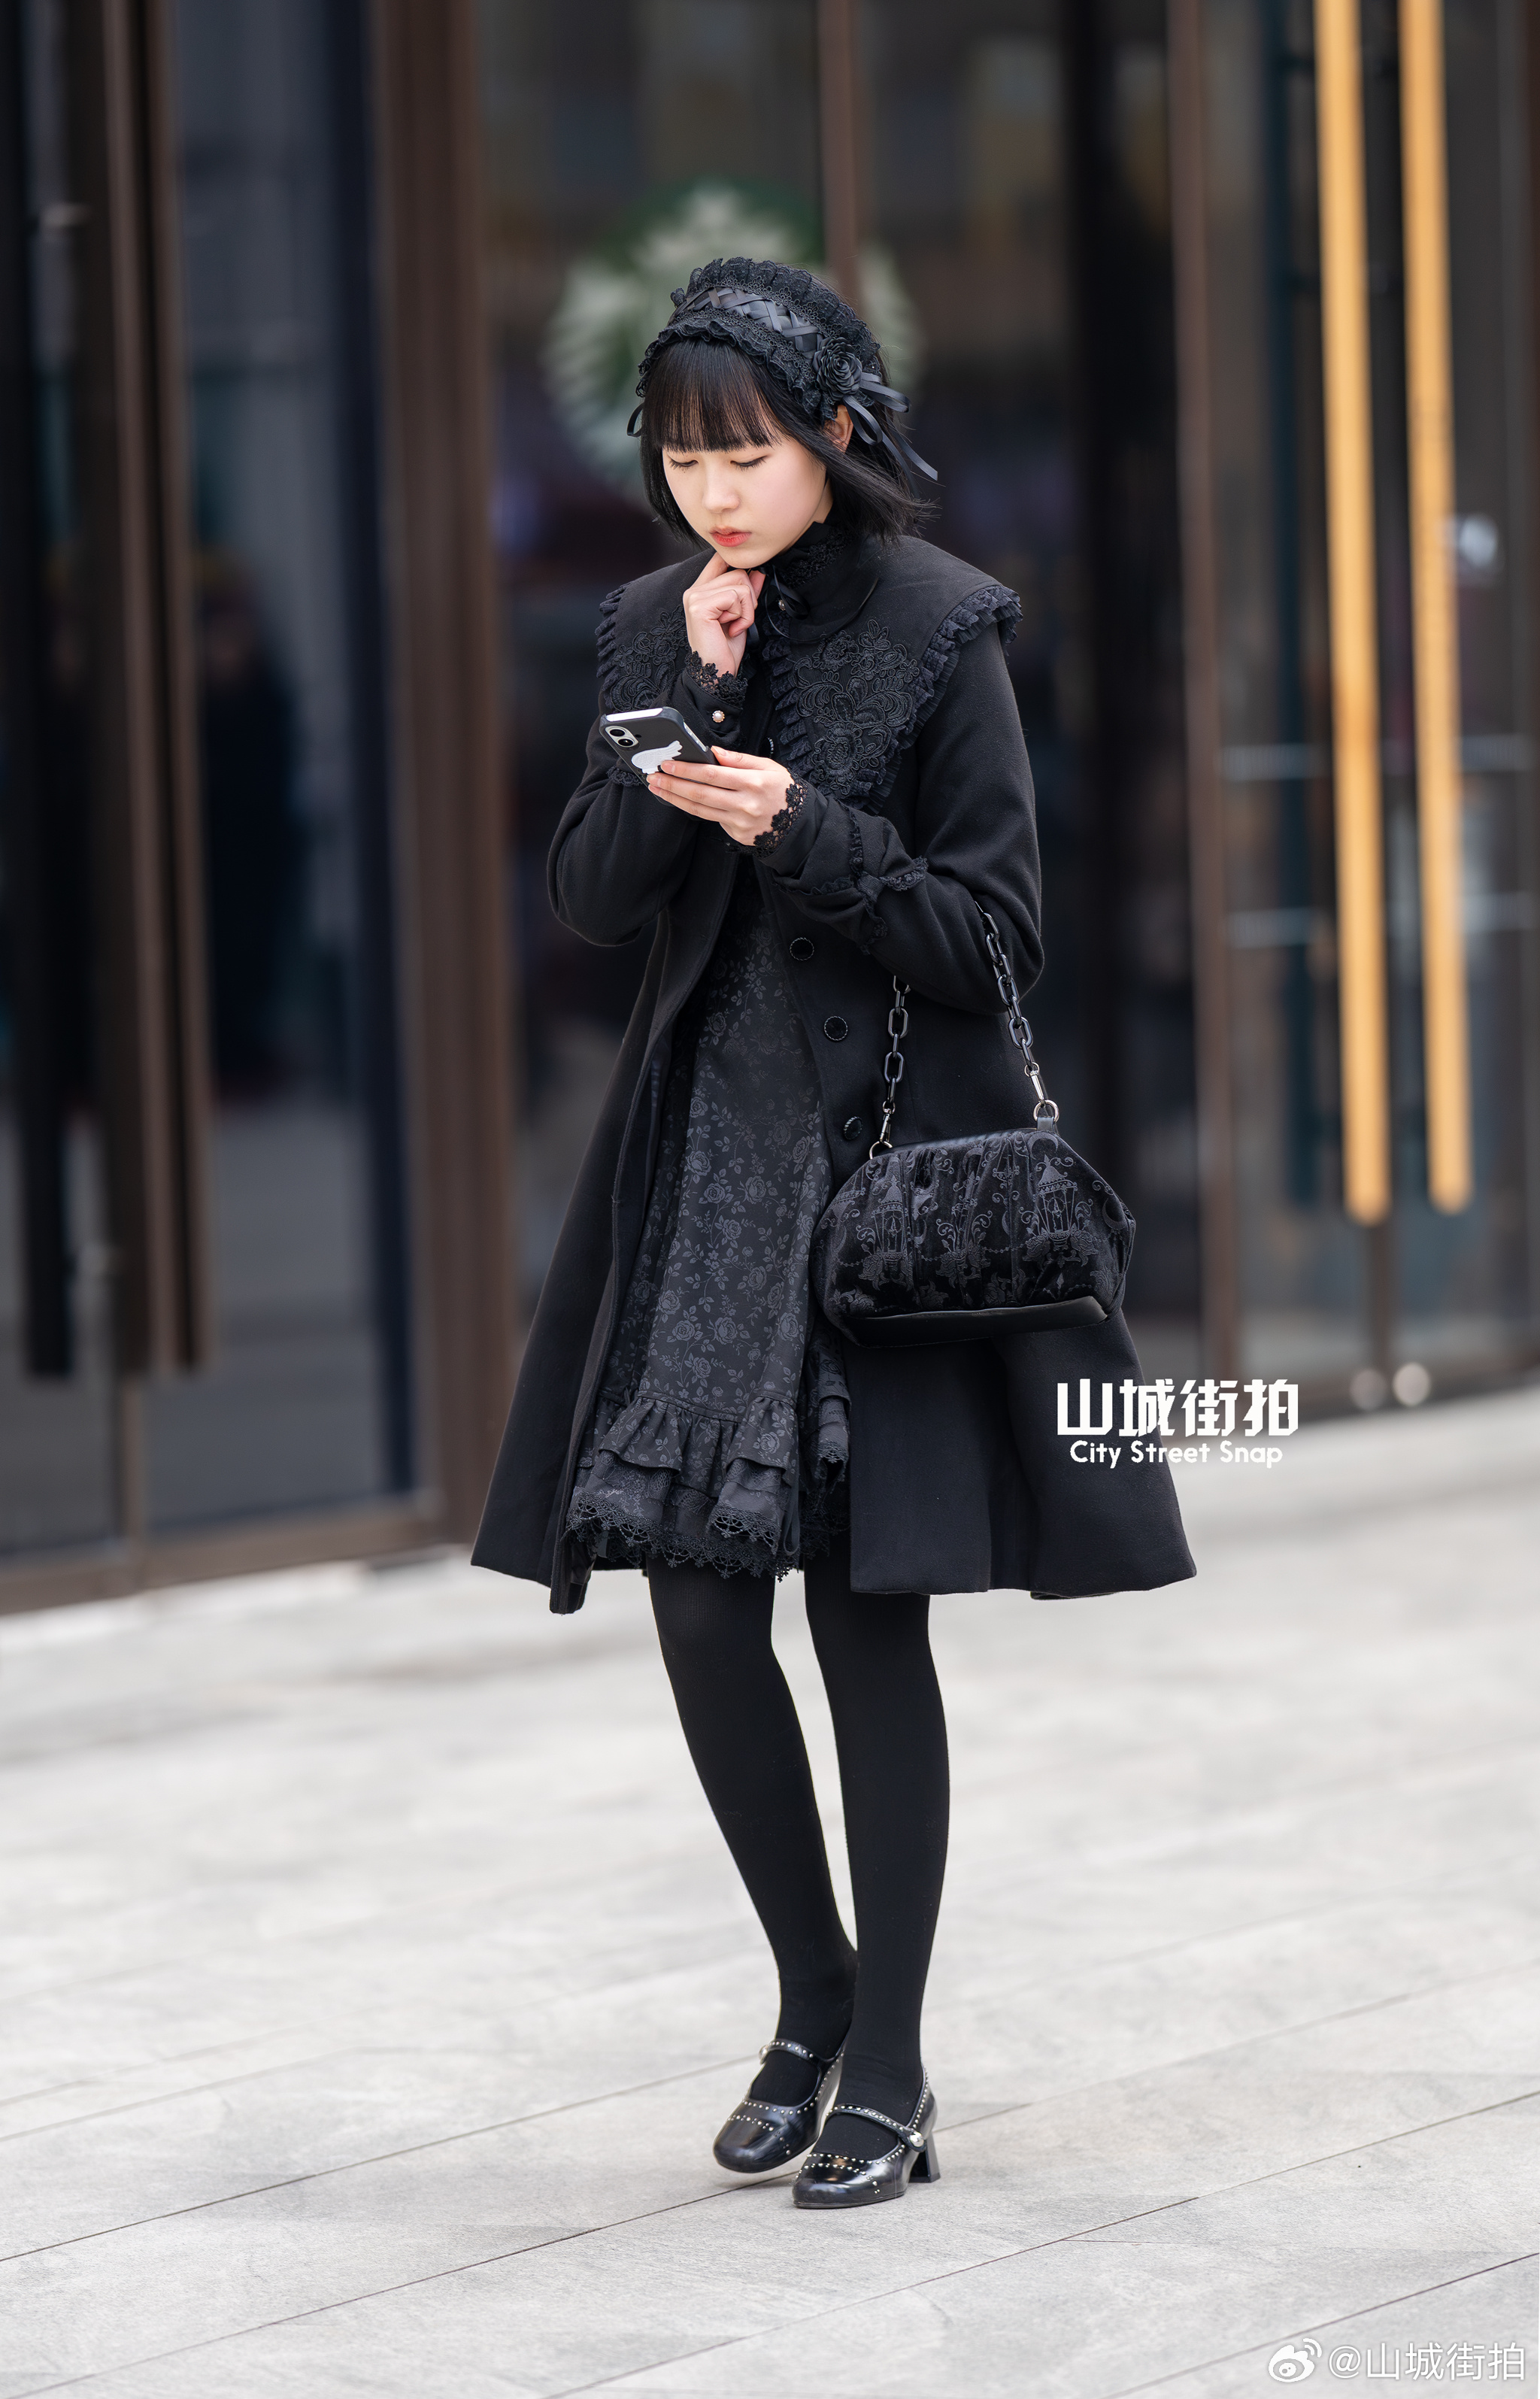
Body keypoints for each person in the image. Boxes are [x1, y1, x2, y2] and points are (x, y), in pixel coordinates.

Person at [473, 259, 1193, 2210]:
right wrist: (694, 706)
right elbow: (594, 895)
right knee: (701, 1611)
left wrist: (806, 829)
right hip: (707, 1177)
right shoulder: (651, 621)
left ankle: (891, 2065)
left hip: (878, 1186)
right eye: (682, 455)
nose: (713, 490)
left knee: (871, 1623)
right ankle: (814, 1994)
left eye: (749, 450)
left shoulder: (945, 627)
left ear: (834, 436)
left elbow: (994, 938)